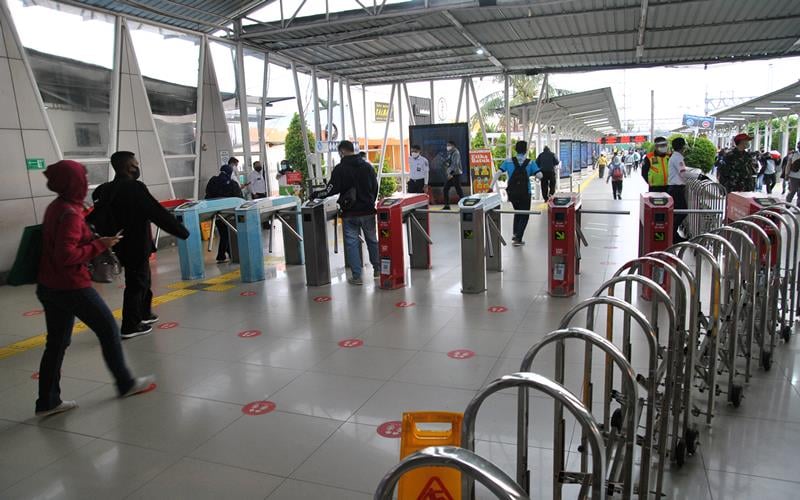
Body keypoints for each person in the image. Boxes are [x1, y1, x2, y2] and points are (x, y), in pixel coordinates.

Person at [36, 160, 155, 417]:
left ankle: (47, 401)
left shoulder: (57, 207)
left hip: (48, 285)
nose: (84, 182)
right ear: (73, 182)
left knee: (56, 343)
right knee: (108, 329)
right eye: (81, 178)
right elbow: (66, 256)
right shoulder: (68, 213)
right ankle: (125, 383)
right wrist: (99, 245)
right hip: (71, 286)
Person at [91, 152, 190, 339]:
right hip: (135, 243)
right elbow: (156, 212)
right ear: (130, 167)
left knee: (143, 279)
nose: (137, 167)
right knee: (136, 283)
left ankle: (144, 313)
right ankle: (130, 324)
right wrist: (181, 232)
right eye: (136, 164)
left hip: (117, 243)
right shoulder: (134, 187)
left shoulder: (104, 190)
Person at [314, 140, 379, 285]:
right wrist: (369, 202)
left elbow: (331, 190)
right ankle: (378, 269)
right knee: (372, 240)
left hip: (350, 213)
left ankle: (357, 277)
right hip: (368, 211)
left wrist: (314, 195)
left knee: (352, 244)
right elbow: (375, 187)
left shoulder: (340, 169)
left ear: (342, 152)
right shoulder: (367, 167)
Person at [492, 141, 542, 246]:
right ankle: (518, 238)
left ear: (515, 149)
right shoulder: (530, 162)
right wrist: (534, 175)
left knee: (518, 212)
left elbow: (498, 173)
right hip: (525, 193)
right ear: (526, 150)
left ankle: (515, 234)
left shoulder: (508, 161)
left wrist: (490, 186)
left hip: (512, 193)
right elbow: (540, 175)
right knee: (525, 215)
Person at [206, 164, 244, 263]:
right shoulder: (232, 184)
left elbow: (207, 194)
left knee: (224, 233)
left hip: (215, 212)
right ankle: (221, 255)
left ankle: (229, 253)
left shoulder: (212, 181)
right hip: (228, 213)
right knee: (226, 233)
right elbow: (239, 198)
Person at [668, 137, 703, 241]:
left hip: (675, 188)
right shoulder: (678, 158)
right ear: (683, 146)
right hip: (676, 189)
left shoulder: (675, 157)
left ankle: (673, 234)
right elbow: (683, 173)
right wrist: (699, 177)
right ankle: (673, 235)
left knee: (679, 212)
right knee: (681, 212)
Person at [441, 140, 463, 209]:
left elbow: (455, 164)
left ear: (453, 146)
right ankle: (447, 205)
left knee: (458, 190)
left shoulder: (456, 153)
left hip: (455, 174)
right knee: (446, 189)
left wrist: (451, 174)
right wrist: (444, 161)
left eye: (449, 145)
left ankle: (464, 204)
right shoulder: (451, 153)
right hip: (452, 174)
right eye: (447, 145)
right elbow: (448, 161)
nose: (447, 147)